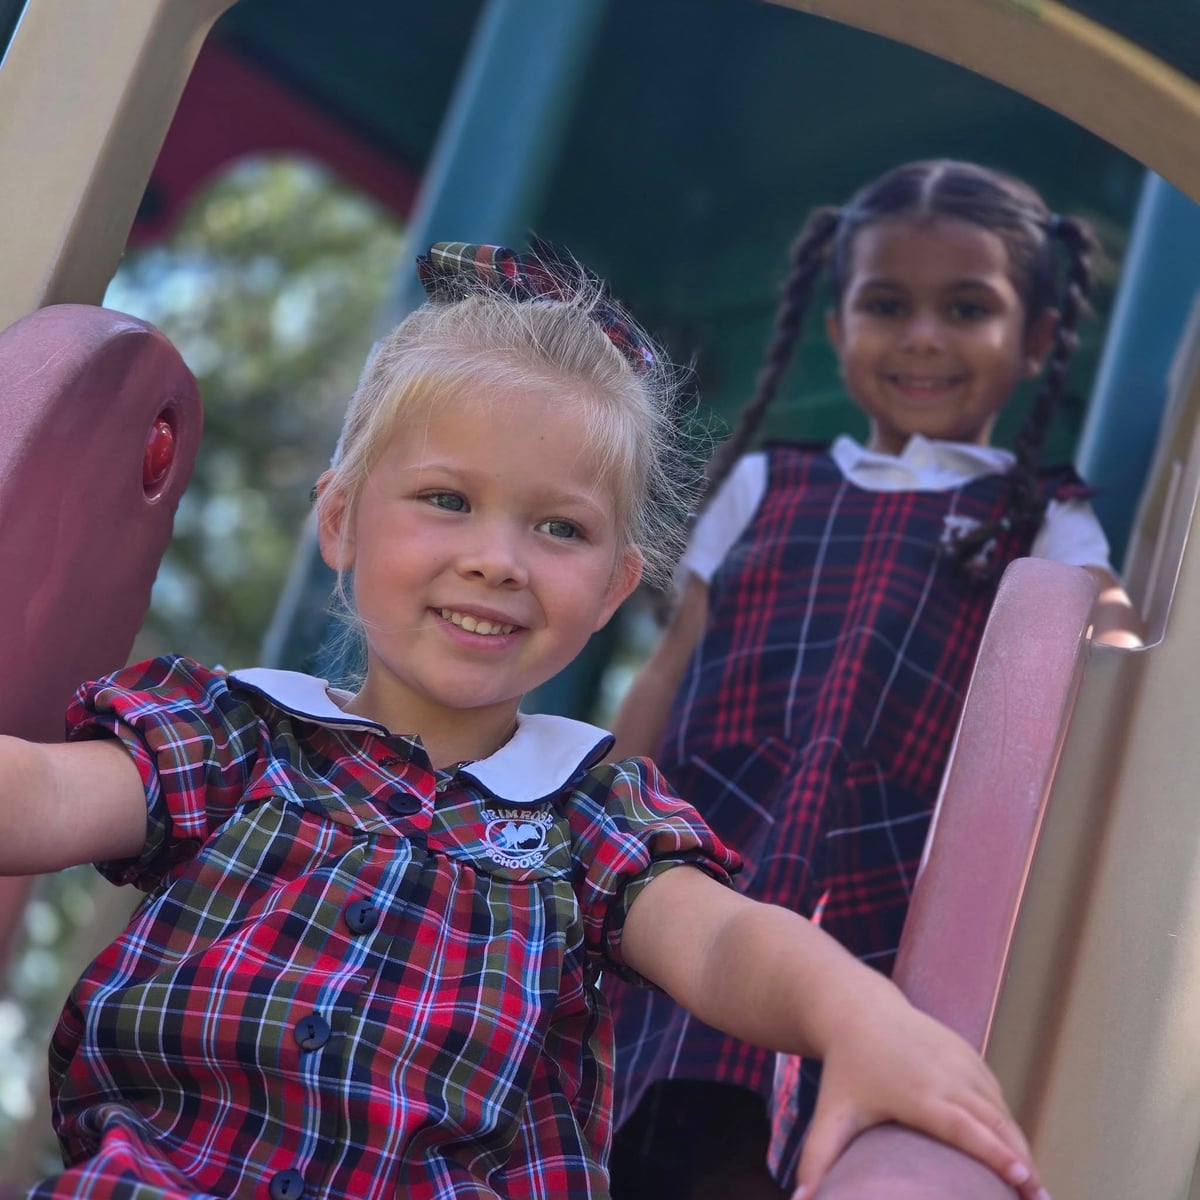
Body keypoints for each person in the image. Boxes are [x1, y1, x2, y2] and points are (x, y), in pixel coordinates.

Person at [2, 241, 1046, 1200]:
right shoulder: (233, 737)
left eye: (560, 527)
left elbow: (727, 943)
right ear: (340, 519)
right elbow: (45, 795)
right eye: (449, 500)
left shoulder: (590, 825)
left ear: (610, 589)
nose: (499, 559)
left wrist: (854, 1017)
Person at [605, 159, 1145, 1200]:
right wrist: (601, 808)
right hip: (715, 827)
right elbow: (671, 667)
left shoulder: (1044, 515)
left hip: (883, 863)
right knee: (650, 1083)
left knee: (796, 1115)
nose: (924, 336)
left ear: (1036, 341)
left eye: (968, 308)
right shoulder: (769, 480)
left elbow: (1119, 652)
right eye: (887, 304)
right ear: (839, 327)